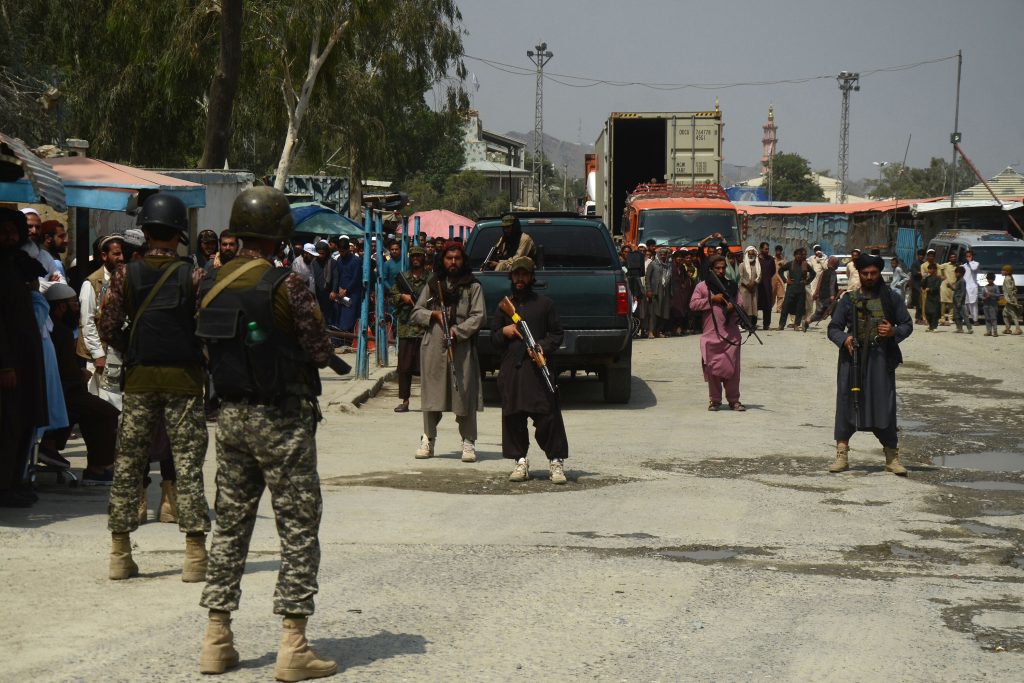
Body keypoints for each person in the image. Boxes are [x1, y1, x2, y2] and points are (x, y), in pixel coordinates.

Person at [196, 187, 340, 680]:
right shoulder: (288, 285)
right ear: (280, 234)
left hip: (231, 417)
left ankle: (217, 638)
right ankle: (293, 645)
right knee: (297, 528)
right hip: (282, 419)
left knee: (231, 526)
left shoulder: (209, 282)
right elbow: (319, 348)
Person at [99, 192, 211, 582]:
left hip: (139, 381)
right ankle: (195, 556)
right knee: (187, 465)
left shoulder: (124, 275)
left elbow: (107, 325)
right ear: (179, 233)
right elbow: (207, 329)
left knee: (128, 464)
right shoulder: (195, 275)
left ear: (144, 231)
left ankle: (120, 553)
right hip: (184, 382)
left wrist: (132, 350)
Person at [827, 253, 913, 475]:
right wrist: (844, 339)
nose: (869, 277)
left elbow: (906, 324)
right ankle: (842, 455)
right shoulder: (848, 299)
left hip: (881, 360)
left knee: (884, 405)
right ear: (860, 274)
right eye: (865, 273)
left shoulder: (891, 298)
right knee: (847, 404)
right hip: (852, 360)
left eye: (873, 273)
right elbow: (833, 328)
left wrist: (893, 331)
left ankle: (892, 457)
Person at [491, 256, 569, 484]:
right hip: (513, 371)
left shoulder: (545, 304)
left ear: (531, 277)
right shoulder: (504, 307)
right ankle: (520, 461)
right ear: (511, 277)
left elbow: (557, 334)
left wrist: (541, 347)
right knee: (513, 417)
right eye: (516, 274)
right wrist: (504, 331)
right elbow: (493, 339)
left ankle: (555, 461)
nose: (520, 279)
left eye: (524, 274)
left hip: (538, 371)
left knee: (548, 417)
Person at [409, 241, 485, 462]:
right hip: (434, 347)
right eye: (449, 258)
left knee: (464, 394)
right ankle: (428, 440)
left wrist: (457, 331)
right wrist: (433, 315)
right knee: (432, 395)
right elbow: (416, 313)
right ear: (443, 260)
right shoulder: (433, 285)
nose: (453, 262)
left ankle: (468, 441)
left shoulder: (473, 286)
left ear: (463, 260)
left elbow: (479, 317)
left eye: (457, 258)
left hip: (461, 348)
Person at [40, 283, 119, 484]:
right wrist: (81, 375)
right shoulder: (60, 332)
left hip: (61, 391)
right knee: (106, 412)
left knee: (94, 412)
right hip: (64, 393)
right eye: (74, 303)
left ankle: (96, 466)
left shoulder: (55, 327)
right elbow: (66, 373)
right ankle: (99, 468)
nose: (77, 308)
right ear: (61, 307)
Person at [0, 210, 48, 507]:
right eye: (3, 232)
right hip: (8, 363)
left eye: (12, 231)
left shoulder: (15, 264)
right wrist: (4, 363)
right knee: (8, 425)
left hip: (25, 358)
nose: (9, 237)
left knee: (24, 420)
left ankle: (15, 481)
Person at [690, 256, 744, 411]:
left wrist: (735, 307)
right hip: (711, 335)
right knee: (712, 369)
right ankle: (715, 400)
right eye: (717, 268)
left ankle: (734, 400)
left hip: (731, 335)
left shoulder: (731, 286)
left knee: (733, 370)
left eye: (723, 268)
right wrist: (712, 299)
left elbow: (741, 303)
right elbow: (693, 304)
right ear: (711, 269)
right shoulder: (702, 286)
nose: (721, 271)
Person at [78, 234, 126, 408]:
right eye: (116, 254)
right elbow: (87, 322)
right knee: (102, 402)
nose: (121, 258)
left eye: (122, 253)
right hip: (100, 353)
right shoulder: (91, 283)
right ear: (104, 256)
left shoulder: (125, 278)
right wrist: (99, 354)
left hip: (119, 350)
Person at [389, 246, 429, 413]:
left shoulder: (430, 279)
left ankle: (430, 401)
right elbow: (392, 297)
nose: (416, 259)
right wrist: (402, 297)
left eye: (419, 256)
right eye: (413, 256)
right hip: (406, 327)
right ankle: (405, 401)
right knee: (404, 368)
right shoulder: (403, 278)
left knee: (427, 367)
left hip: (424, 328)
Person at [777, 247, 815, 330]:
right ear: (794, 255)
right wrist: (786, 280)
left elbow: (813, 273)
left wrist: (807, 281)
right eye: (797, 255)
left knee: (799, 307)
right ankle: (781, 325)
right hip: (791, 289)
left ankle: (796, 325)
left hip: (801, 289)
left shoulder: (805, 264)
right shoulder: (790, 264)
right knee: (785, 306)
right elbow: (780, 270)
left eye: (800, 255)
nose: (798, 256)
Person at [334, 236, 362, 333]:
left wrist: (346, 290)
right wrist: (339, 288)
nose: (341, 254)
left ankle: (348, 339)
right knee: (338, 315)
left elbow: (356, 278)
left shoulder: (356, 261)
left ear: (348, 250)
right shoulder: (339, 260)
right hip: (340, 292)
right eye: (339, 251)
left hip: (352, 293)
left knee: (349, 317)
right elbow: (337, 275)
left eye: (343, 251)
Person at [806, 256, 840, 329]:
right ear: (835, 263)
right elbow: (832, 284)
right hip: (828, 298)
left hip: (821, 297)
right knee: (835, 312)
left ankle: (807, 322)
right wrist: (832, 295)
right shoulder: (833, 273)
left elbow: (819, 283)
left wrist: (816, 294)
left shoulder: (824, 272)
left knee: (820, 313)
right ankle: (835, 327)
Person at [645, 247, 671, 338]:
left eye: (665, 254)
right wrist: (648, 290)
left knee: (664, 312)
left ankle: (658, 331)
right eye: (661, 254)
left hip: (665, 291)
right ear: (658, 255)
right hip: (655, 291)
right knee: (653, 312)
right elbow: (647, 278)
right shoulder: (653, 264)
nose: (663, 256)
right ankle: (651, 331)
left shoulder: (668, 265)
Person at [668, 249, 695, 336]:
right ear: (674, 258)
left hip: (681, 292)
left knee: (681, 310)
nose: (679, 259)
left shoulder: (682, 267)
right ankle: (672, 329)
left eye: (680, 258)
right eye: (678, 257)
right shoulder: (670, 266)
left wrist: (684, 285)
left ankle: (679, 328)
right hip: (672, 291)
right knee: (673, 310)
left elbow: (685, 278)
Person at [756, 242, 776, 330]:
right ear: (760, 249)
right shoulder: (756, 259)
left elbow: (773, 271)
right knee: (755, 304)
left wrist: (766, 279)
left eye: (768, 249)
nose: (767, 250)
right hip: (757, 286)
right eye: (765, 249)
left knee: (767, 305)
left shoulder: (770, 259)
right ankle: (753, 323)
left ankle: (766, 324)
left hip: (767, 285)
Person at [738, 245, 761, 320]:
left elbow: (759, 276)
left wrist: (754, 283)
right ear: (746, 255)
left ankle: (752, 323)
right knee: (745, 306)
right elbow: (741, 277)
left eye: (752, 255)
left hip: (754, 289)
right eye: (749, 254)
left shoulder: (757, 265)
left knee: (753, 306)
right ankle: (744, 323)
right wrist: (747, 284)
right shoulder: (742, 265)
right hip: (744, 289)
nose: (751, 256)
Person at [937, 250, 958, 325]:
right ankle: (942, 317)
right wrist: (941, 275)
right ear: (949, 258)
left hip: (953, 286)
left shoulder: (957, 266)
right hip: (945, 286)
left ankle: (950, 318)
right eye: (951, 257)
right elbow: (938, 267)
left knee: (951, 303)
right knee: (943, 302)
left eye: (954, 257)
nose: (953, 259)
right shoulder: (946, 265)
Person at [951, 266, 973, 334]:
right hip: (955, 301)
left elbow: (963, 292)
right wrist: (950, 287)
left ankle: (969, 328)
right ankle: (959, 328)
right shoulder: (958, 281)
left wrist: (960, 301)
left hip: (960, 301)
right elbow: (956, 290)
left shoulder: (962, 281)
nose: (955, 274)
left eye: (956, 273)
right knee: (957, 316)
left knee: (964, 315)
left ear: (961, 273)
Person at [1001, 265, 1021, 335]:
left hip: (1009, 299)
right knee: (1004, 313)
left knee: (1013, 314)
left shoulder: (1007, 279)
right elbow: (1014, 289)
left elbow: (1009, 290)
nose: (1001, 271)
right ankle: (1007, 328)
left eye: (1003, 270)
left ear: (1007, 272)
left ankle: (1018, 329)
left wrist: (1011, 299)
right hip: (1009, 299)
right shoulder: (1010, 278)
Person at [962, 249, 981, 324]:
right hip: (965, 287)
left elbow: (973, 269)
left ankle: (975, 320)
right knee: (965, 304)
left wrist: (969, 262)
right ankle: (965, 319)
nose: (968, 257)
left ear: (972, 256)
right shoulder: (964, 265)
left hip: (973, 286)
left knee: (973, 304)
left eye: (969, 256)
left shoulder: (976, 263)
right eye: (967, 256)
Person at [922, 263, 942, 331]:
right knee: (927, 312)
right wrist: (924, 279)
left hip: (935, 297)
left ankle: (934, 326)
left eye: (931, 269)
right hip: (929, 297)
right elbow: (923, 286)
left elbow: (937, 287)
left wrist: (930, 289)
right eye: (929, 269)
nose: (929, 270)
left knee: (935, 312)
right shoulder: (927, 278)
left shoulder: (938, 278)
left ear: (935, 270)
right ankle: (930, 326)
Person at [909, 249, 925, 324]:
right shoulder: (915, 264)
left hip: (922, 285)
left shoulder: (923, 263)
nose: (921, 256)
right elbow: (914, 273)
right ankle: (918, 318)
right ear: (917, 256)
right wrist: (921, 273)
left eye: (922, 255)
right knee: (918, 303)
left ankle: (921, 317)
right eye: (920, 255)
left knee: (922, 303)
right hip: (916, 286)